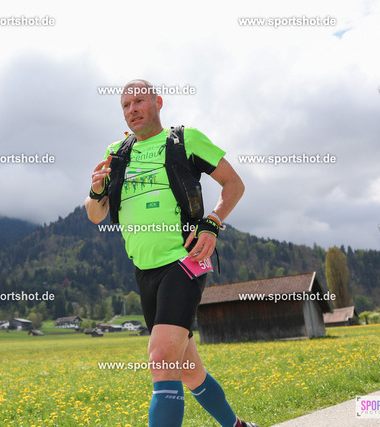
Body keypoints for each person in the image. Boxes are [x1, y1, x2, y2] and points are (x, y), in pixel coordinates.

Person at [85, 79, 255, 427]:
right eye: (126, 105)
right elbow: (95, 214)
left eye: (139, 101)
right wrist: (96, 189)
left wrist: (212, 222)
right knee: (189, 371)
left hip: (185, 260)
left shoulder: (184, 140)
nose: (132, 109)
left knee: (162, 358)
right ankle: (237, 426)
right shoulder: (117, 153)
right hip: (145, 272)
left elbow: (234, 184)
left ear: (158, 102)